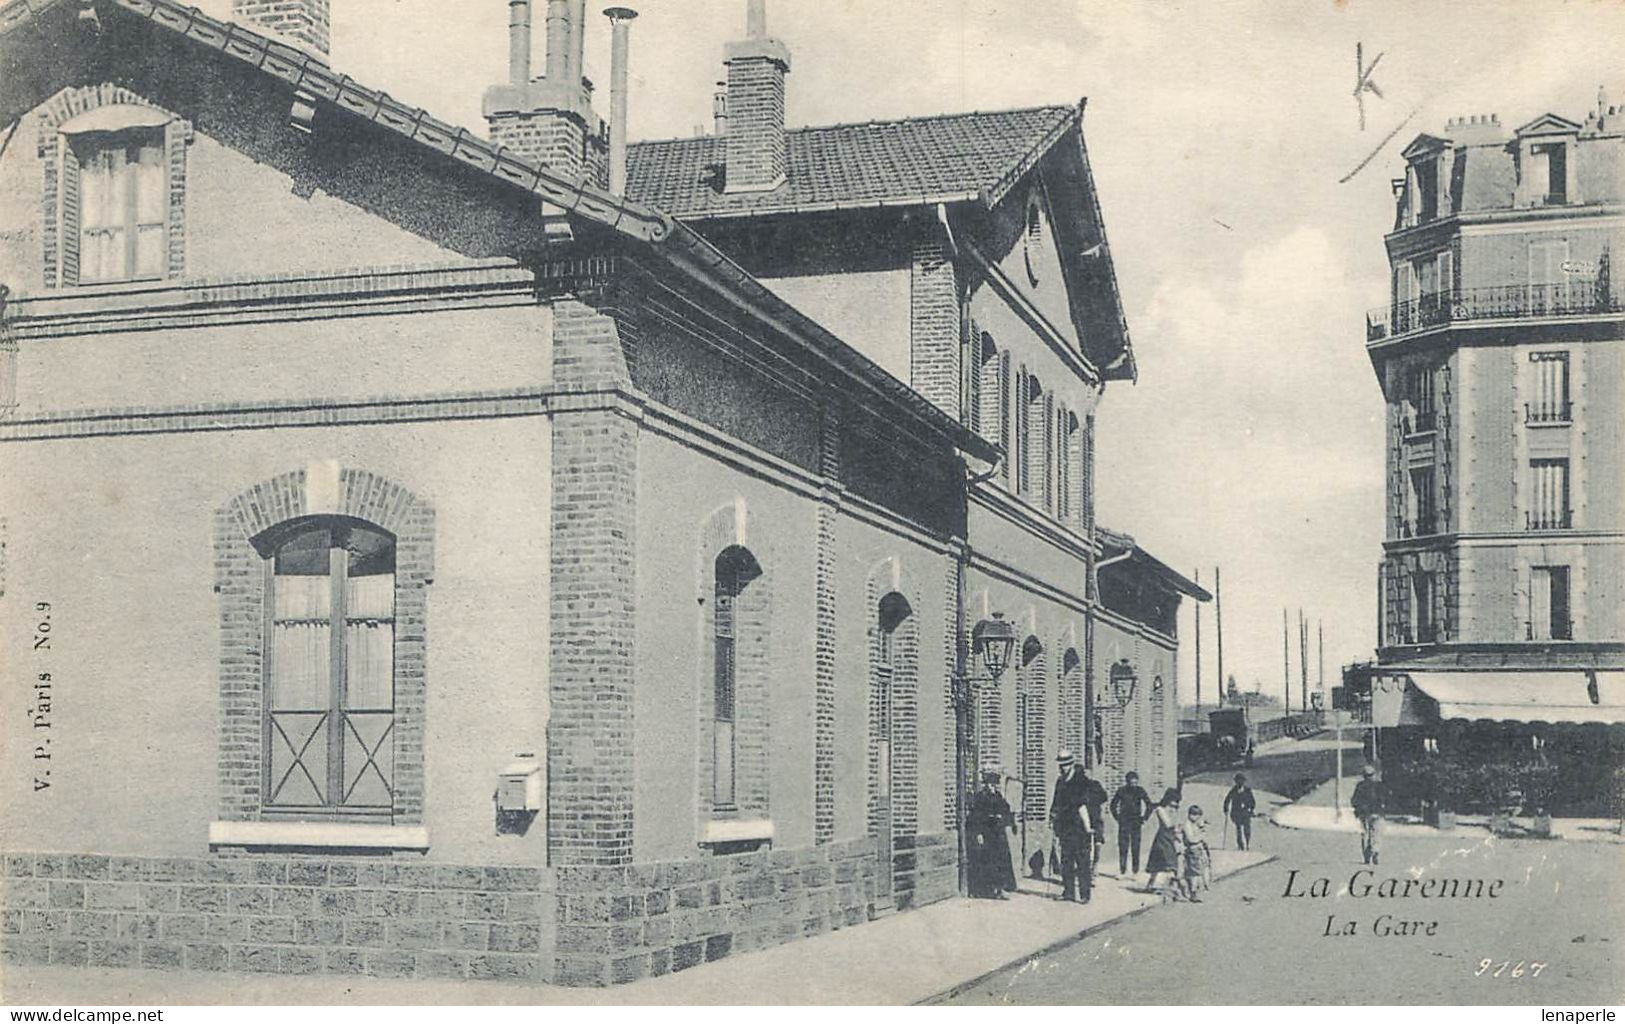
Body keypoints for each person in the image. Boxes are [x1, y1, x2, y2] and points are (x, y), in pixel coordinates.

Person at [1048, 750, 1093, 903]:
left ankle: (1085, 894)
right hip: (1065, 827)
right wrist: (1052, 816)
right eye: (1061, 765)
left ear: (1072, 764)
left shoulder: (1081, 781)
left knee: (1082, 861)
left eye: (1066, 765)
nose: (1063, 768)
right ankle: (1068, 892)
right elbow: (1056, 801)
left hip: (1080, 827)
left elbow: (1084, 804)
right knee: (1066, 860)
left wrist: (1088, 827)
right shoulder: (1060, 781)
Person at [966, 768, 1017, 898]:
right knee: (988, 861)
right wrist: (978, 833)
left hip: (998, 834)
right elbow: (975, 816)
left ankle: (1000, 889)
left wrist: (1008, 821)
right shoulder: (980, 797)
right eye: (988, 783)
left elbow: (1006, 810)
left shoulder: (998, 797)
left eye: (993, 784)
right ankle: (988, 889)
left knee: (1001, 861)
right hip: (987, 833)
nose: (990, 786)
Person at [1110, 770, 1155, 876]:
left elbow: (1149, 805)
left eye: (1135, 783)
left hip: (1136, 821)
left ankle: (1135, 871)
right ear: (1127, 782)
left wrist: (1144, 818)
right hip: (1124, 821)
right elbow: (1113, 805)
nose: (1133, 785)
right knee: (1123, 846)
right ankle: (1123, 871)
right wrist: (1117, 818)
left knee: (1136, 846)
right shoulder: (1121, 791)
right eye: (1131, 783)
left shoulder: (1140, 791)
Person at [1144, 787, 1184, 899]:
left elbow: (1177, 824)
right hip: (1163, 838)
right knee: (1161, 861)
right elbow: (1168, 824)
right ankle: (1151, 884)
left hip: (1171, 837)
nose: (1175, 804)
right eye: (1174, 801)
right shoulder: (1160, 809)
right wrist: (1177, 825)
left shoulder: (1173, 810)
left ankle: (1174, 887)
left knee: (1173, 862)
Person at [1351, 764, 1386, 865]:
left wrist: (1357, 810)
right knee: (1376, 834)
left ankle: (1367, 855)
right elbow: (1385, 799)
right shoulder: (1379, 785)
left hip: (1364, 813)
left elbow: (1354, 800)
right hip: (1377, 813)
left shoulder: (1360, 786)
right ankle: (1375, 851)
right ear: (1374, 774)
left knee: (1365, 834)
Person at [1079, 765, 1109, 880]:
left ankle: (1095, 866)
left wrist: (1092, 802)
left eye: (1087, 774)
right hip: (1082, 818)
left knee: (1098, 841)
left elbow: (1104, 797)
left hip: (1095, 817)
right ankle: (1087, 871)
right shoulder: (1078, 787)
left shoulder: (1095, 785)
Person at [1179, 805, 1213, 901]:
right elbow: (1191, 839)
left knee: (1200, 870)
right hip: (1192, 850)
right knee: (1194, 873)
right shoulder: (1187, 825)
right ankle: (1193, 893)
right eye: (1196, 815)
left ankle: (1198, 889)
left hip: (1198, 850)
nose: (1197, 818)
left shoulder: (1194, 824)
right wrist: (1201, 835)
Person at [1223, 773, 1257, 851]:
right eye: (1238, 781)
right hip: (1236, 813)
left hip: (1245, 812)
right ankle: (1240, 845)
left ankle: (1247, 843)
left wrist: (1251, 809)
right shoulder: (1233, 790)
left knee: (1247, 829)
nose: (1239, 783)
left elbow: (1252, 801)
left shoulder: (1247, 790)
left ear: (1243, 782)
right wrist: (1226, 808)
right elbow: (1227, 800)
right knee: (1238, 829)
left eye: (1241, 781)